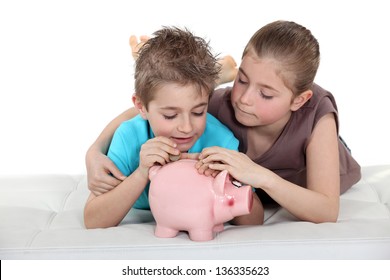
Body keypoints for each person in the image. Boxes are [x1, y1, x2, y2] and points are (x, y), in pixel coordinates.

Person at [85, 20, 361, 224]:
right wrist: (94, 150)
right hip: (252, 189)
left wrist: (256, 176)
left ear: (298, 100)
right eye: (241, 80)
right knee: (182, 84)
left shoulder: (316, 113)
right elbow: (146, 110)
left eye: (265, 94)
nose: (245, 100)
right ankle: (214, 71)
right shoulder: (216, 105)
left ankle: (218, 71)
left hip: (303, 181)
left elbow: (326, 211)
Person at [84, 26, 263, 229]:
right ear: (141, 107)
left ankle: (215, 77)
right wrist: (142, 173)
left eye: (198, 112)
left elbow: (255, 220)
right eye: (170, 115)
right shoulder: (129, 137)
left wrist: (228, 180)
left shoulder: (221, 140)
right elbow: (93, 220)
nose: (186, 128)